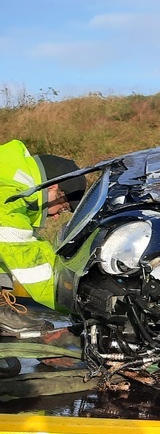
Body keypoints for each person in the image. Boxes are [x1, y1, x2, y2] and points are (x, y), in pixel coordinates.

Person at [0, 140, 85, 336]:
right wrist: (80, 302)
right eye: (62, 208)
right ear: (52, 188)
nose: (55, 217)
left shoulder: (10, 178)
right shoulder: (9, 197)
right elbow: (29, 262)